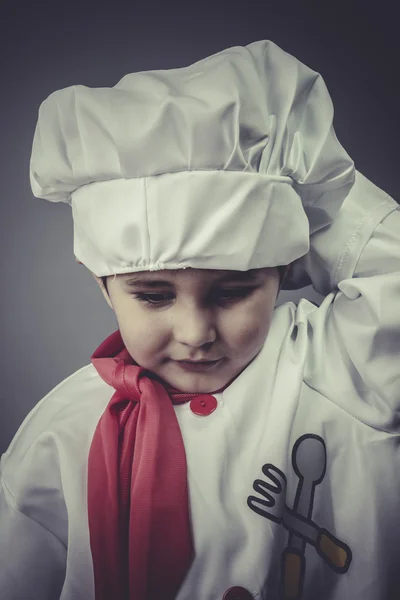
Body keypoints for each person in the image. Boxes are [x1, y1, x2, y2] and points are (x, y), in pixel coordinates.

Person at [0, 39, 399, 600]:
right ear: (103, 285)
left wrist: (313, 206)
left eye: (233, 290)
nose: (195, 333)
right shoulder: (61, 432)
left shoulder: (339, 366)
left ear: (285, 269)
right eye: (154, 296)